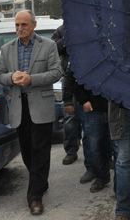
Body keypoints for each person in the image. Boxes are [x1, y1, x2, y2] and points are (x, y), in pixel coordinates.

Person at [0, 10, 62, 215]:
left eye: (24, 25)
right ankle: (40, 181)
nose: (19, 29)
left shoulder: (49, 46)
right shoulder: (7, 49)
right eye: (17, 25)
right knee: (26, 150)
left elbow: (56, 72)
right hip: (18, 106)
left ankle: (34, 196)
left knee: (40, 150)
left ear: (33, 25)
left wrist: (31, 79)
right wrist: (11, 77)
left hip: (40, 105)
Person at [51, 25, 82, 166]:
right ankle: (71, 151)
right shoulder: (62, 30)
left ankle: (100, 158)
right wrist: (67, 38)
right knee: (70, 120)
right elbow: (54, 49)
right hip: (69, 81)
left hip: (90, 80)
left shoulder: (90, 24)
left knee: (94, 122)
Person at [74, 78, 111, 193]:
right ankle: (101, 176)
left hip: (115, 106)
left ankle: (120, 183)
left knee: (114, 146)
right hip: (93, 108)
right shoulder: (85, 60)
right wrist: (84, 100)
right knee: (94, 146)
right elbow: (77, 78)